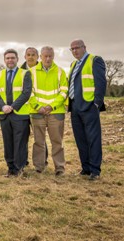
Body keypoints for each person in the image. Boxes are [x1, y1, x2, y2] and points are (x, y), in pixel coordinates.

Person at [67, 39, 106, 180]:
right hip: (75, 106)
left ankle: (95, 170)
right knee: (80, 139)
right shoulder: (73, 64)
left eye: (77, 47)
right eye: (72, 49)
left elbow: (101, 83)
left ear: (84, 47)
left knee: (93, 139)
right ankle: (86, 168)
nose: (75, 50)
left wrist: (96, 103)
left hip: (89, 106)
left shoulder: (95, 60)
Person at [28, 46, 68, 176]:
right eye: (45, 56)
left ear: (54, 56)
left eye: (50, 56)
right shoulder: (31, 72)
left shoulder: (60, 72)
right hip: (37, 112)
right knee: (38, 142)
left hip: (55, 113)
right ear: (40, 57)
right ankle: (39, 167)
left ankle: (60, 168)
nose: (48, 58)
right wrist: (38, 107)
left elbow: (64, 92)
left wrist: (51, 106)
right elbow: (28, 92)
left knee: (57, 142)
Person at [0, 49, 32, 177]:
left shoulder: (25, 73)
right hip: (4, 114)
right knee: (7, 142)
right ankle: (10, 168)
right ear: (4, 60)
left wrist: (13, 107)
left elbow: (26, 92)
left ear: (17, 59)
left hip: (20, 114)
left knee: (20, 142)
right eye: (8, 58)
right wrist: (3, 106)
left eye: (12, 58)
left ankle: (19, 168)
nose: (10, 60)